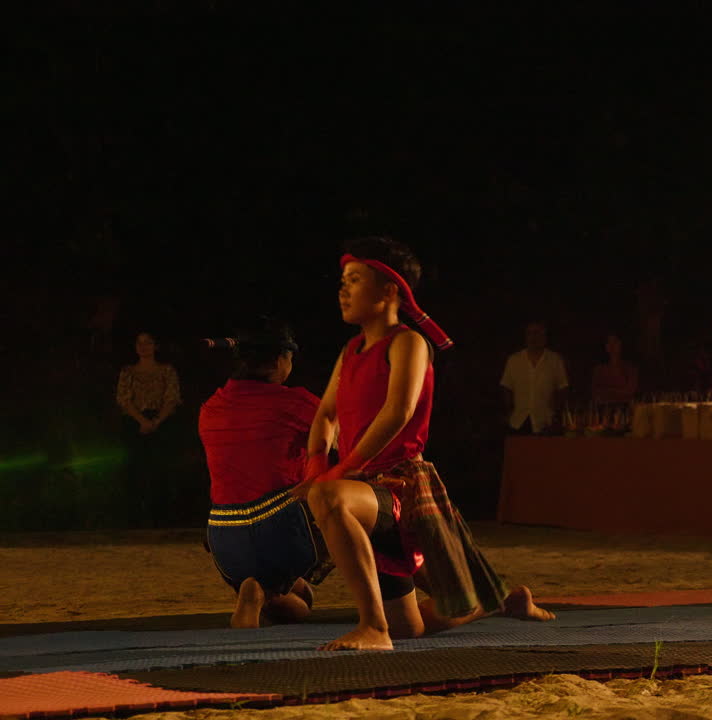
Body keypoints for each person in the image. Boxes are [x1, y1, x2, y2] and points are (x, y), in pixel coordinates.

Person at [300, 236, 554, 651]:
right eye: (342, 280)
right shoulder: (350, 351)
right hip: (362, 489)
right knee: (411, 628)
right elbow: (326, 414)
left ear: (389, 291)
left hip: (396, 487)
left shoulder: (408, 343)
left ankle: (373, 628)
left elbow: (397, 412)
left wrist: (339, 471)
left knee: (330, 497)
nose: (343, 289)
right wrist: (315, 466)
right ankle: (500, 600)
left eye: (355, 279)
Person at [198, 321, 328, 628]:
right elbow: (348, 441)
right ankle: (392, 598)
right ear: (279, 360)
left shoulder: (210, 406)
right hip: (279, 531)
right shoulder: (296, 403)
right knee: (354, 491)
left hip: (224, 538)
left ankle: (256, 590)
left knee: (301, 606)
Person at [116, 330, 182, 526]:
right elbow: (124, 400)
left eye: (148, 342)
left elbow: (172, 398)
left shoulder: (167, 371)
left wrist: (156, 422)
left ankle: (161, 518)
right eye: (139, 343)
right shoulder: (128, 372)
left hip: (161, 423)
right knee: (135, 470)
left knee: (160, 470)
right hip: (134, 423)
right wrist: (141, 421)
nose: (143, 347)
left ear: (156, 346)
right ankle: (134, 518)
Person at [501, 322, 569, 434]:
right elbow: (506, 386)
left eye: (537, 333)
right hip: (518, 421)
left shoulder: (555, 360)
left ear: (545, 337)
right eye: (530, 333)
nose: (533, 337)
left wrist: (557, 412)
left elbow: (563, 387)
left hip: (546, 422)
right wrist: (508, 410)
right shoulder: (514, 360)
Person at [591, 332, 639, 407]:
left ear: (621, 344)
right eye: (609, 342)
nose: (612, 345)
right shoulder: (599, 370)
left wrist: (607, 392)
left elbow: (629, 391)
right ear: (605, 347)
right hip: (604, 409)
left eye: (615, 342)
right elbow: (596, 393)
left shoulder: (630, 368)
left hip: (626, 408)